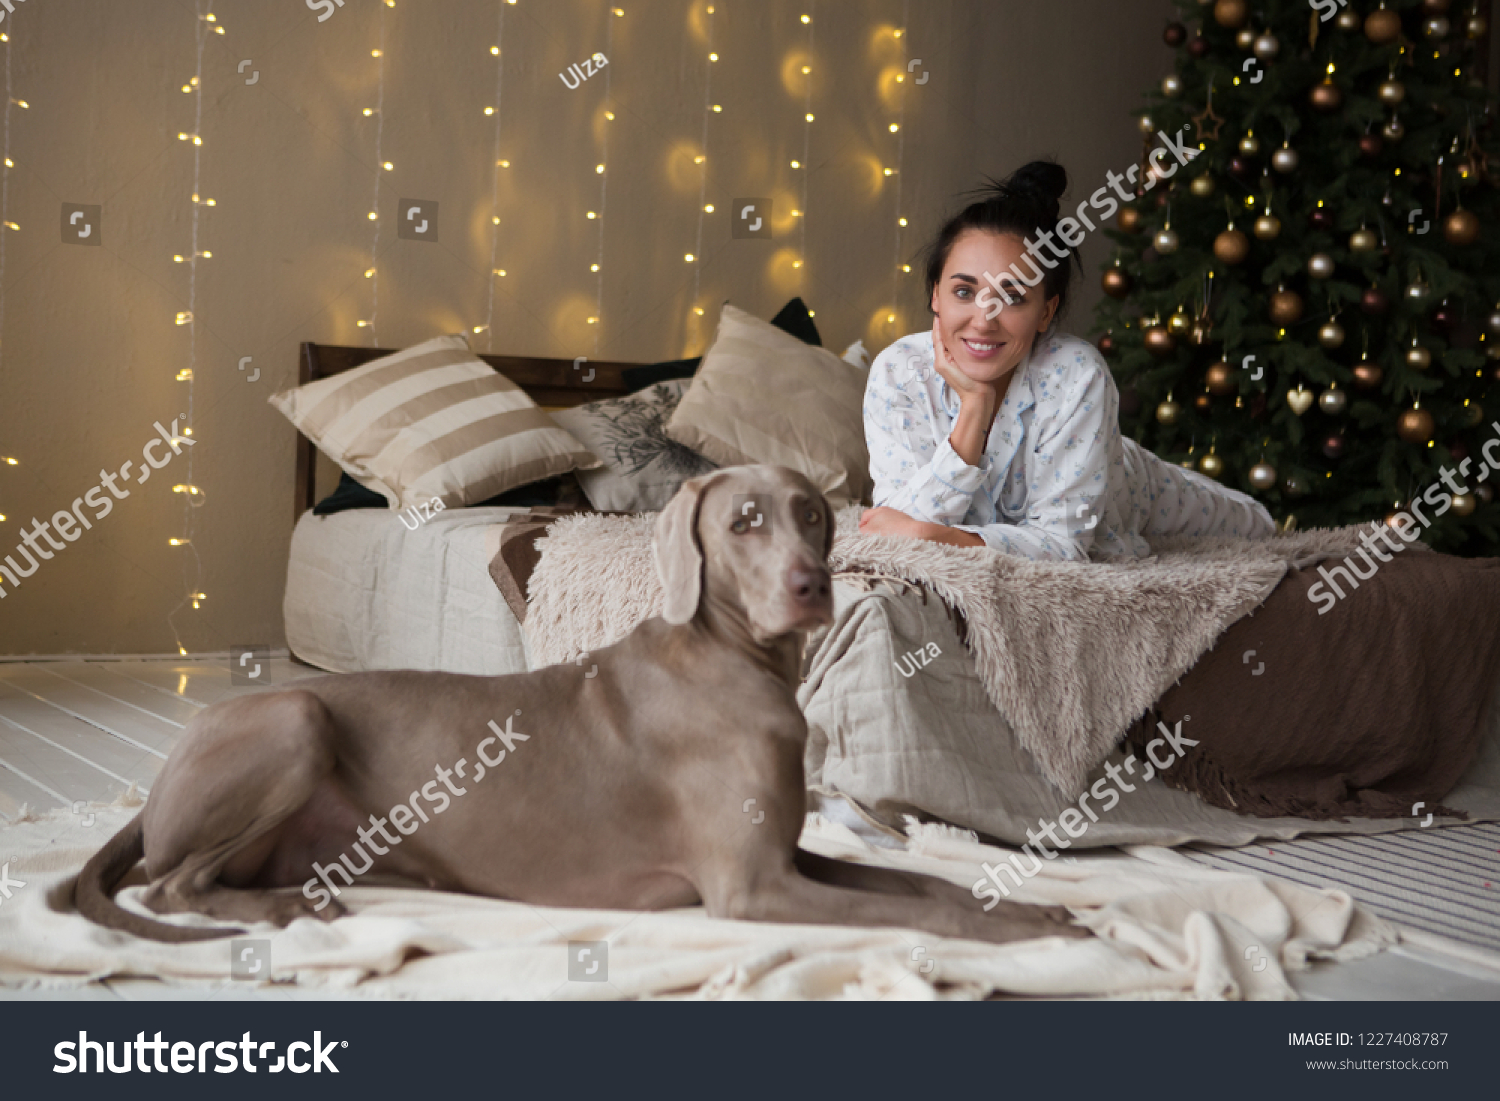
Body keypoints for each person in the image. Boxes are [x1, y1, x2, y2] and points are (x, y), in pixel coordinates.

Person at [859, 161, 1274, 561]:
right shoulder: (899, 372)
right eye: (964, 292)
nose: (983, 321)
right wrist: (974, 410)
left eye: (1014, 297)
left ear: (1046, 312)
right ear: (935, 295)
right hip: (1070, 447)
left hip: (1122, 477)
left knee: (1256, 526)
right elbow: (892, 527)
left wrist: (938, 536)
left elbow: (1063, 545)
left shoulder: (1075, 374)